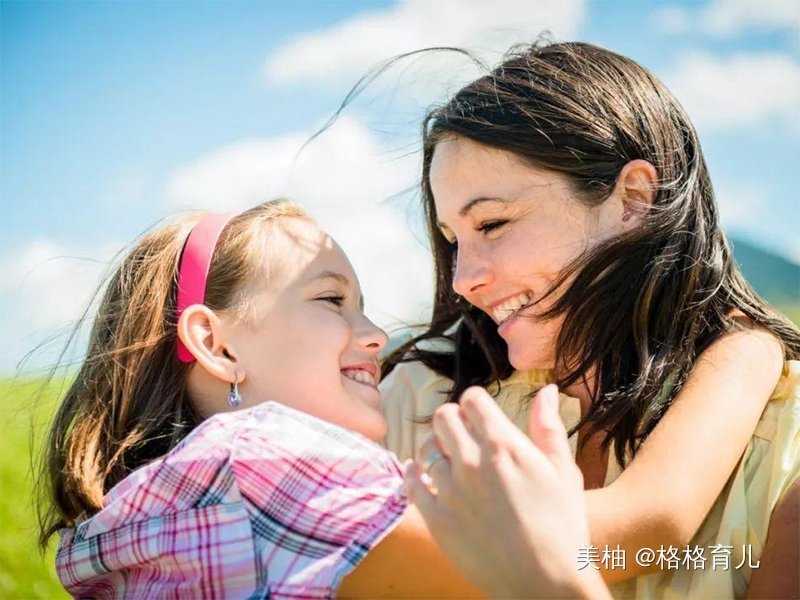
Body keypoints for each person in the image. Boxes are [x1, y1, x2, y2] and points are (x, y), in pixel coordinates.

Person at [380, 41, 800, 598]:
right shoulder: (420, 399)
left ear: (632, 199)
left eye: (494, 223)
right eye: (453, 240)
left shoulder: (784, 440)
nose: (462, 280)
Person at [38, 199, 484, 599]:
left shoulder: (139, 529)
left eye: (361, 307)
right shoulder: (259, 451)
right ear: (217, 345)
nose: (376, 336)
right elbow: (512, 576)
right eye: (332, 299)